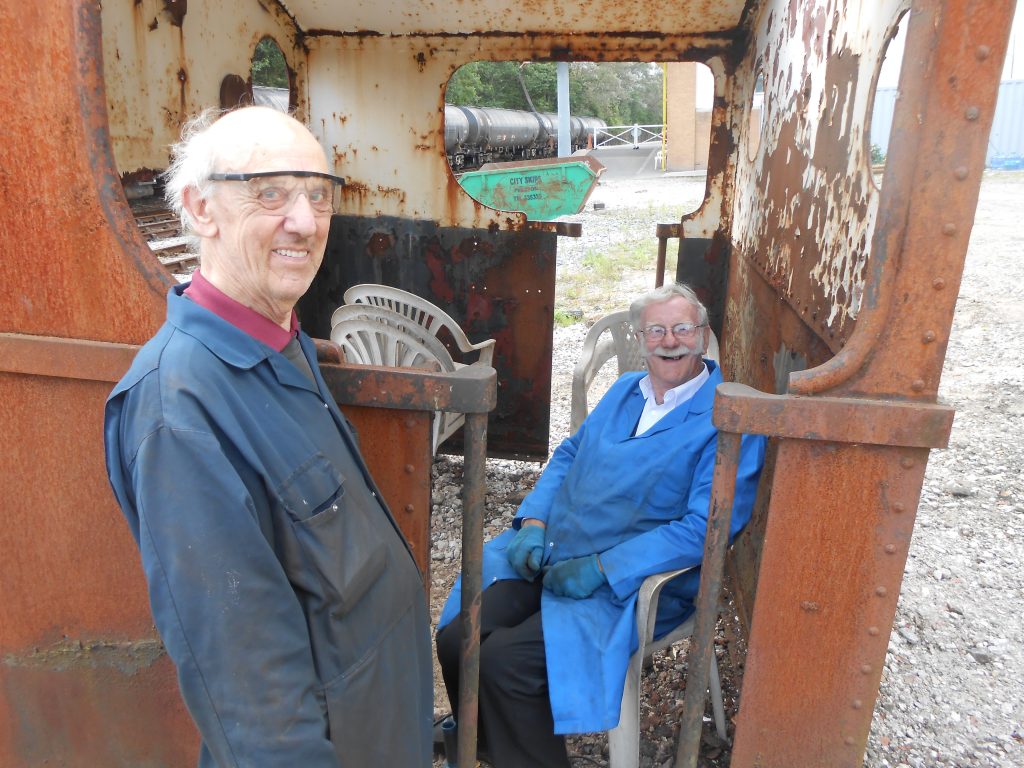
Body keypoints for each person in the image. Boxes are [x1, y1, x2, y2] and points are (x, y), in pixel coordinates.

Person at [104, 106, 433, 767]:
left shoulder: (280, 343)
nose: (306, 222)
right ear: (201, 208)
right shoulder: (179, 410)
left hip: (381, 731)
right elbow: (249, 693)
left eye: (318, 194)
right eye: (270, 193)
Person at [436, 283, 767, 767]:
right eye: (656, 330)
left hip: (630, 585)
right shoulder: (624, 390)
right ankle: (486, 742)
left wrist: (604, 567)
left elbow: (705, 529)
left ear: (703, 335)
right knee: (458, 636)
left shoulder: (729, 420)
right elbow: (570, 453)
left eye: (682, 329)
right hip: (558, 555)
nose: (670, 341)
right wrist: (533, 520)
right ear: (640, 336)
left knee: (506, 663)